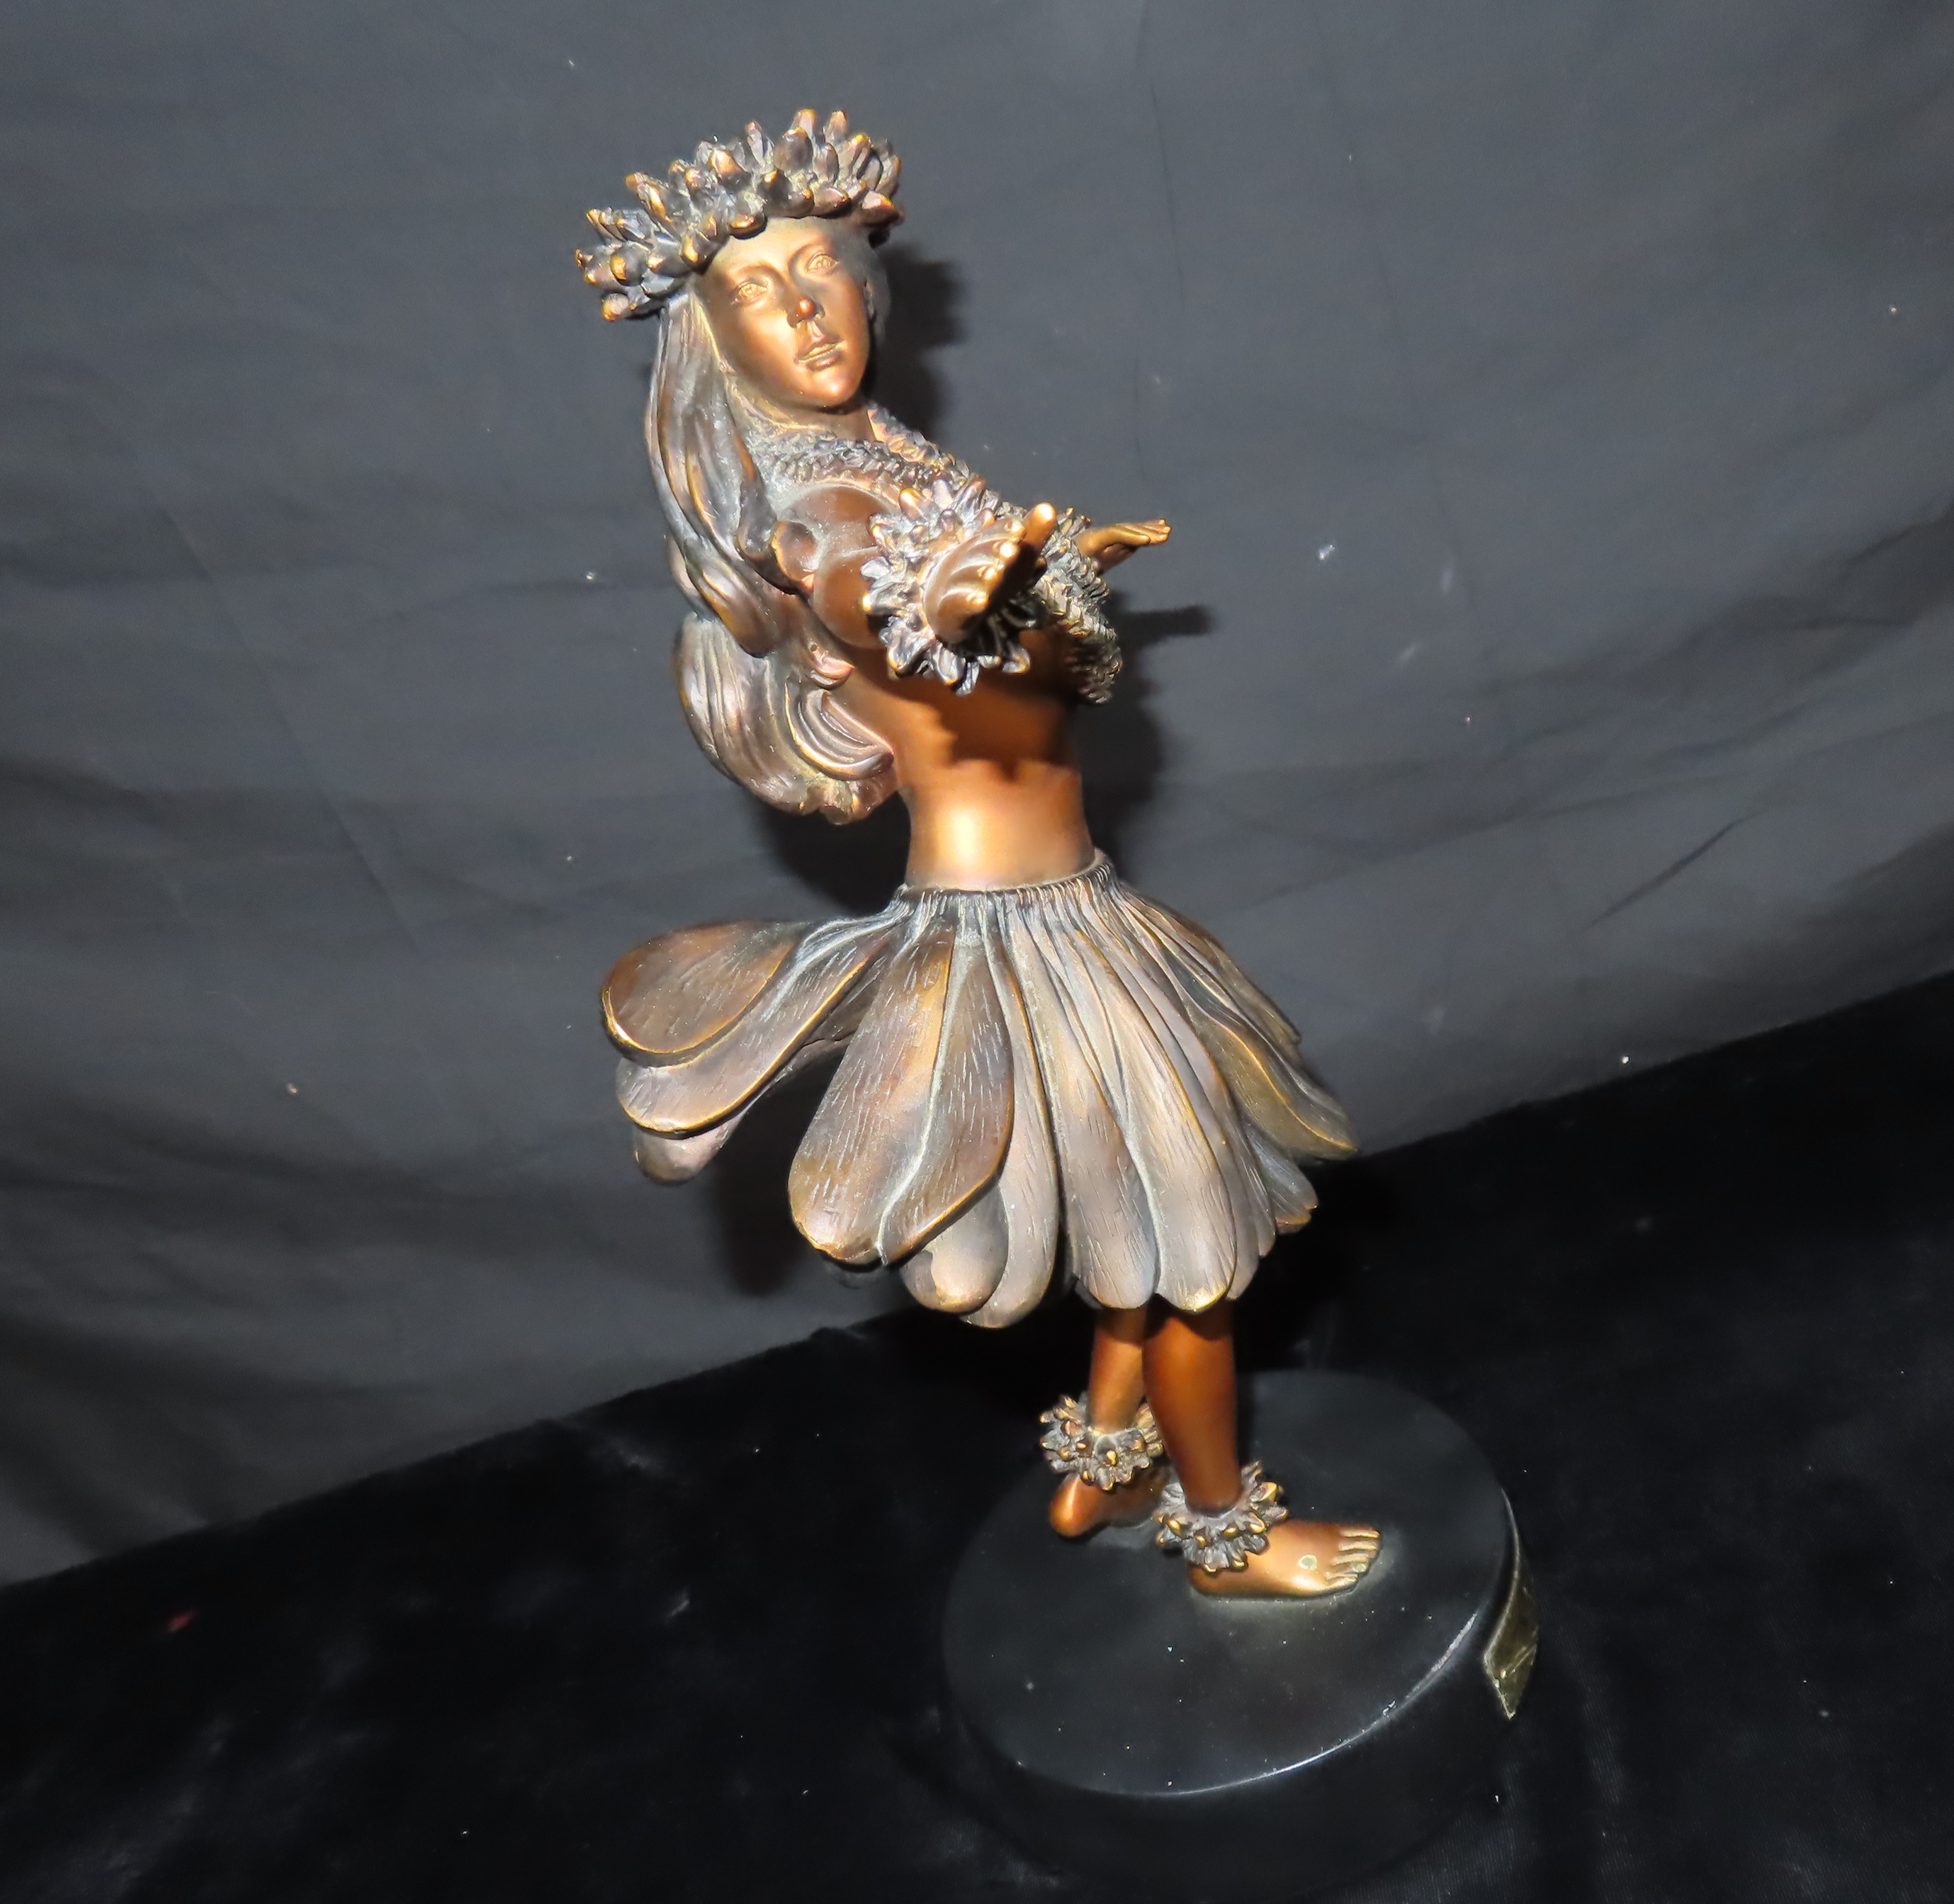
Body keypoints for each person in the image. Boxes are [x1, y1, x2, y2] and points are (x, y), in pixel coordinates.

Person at [581, 111, 1377, 1595]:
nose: (807, 309)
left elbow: (1003, 638)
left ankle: (1107, 1460)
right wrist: (955, 599)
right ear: (709, 339)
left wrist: (1024, 593)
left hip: (1070, 904)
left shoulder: (875, 451)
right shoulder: (817, 515)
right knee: (1192, 1260)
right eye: (760, 290)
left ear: (868, 277)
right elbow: (867, 590)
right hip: (1023, 932)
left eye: (822, 268)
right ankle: (1225, 1539)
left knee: (1142, 1214)